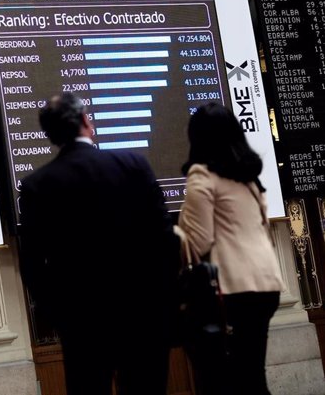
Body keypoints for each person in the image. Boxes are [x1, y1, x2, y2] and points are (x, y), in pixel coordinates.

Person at [18, 92, 180, 395]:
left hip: (81, 322)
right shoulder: (133, 164)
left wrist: (59, 315)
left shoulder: (37, 186)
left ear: (49, 135)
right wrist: (163, 298)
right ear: (85, 121)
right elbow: (166, 241)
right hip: (142, 312)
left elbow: (32, 265)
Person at [178, 102, 284, 395]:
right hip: (266, 283)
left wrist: (178, 229)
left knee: (225, 378)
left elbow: (198, 241)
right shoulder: (248, 178)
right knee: (252, 374)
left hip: (231, 289)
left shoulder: (203, 177)